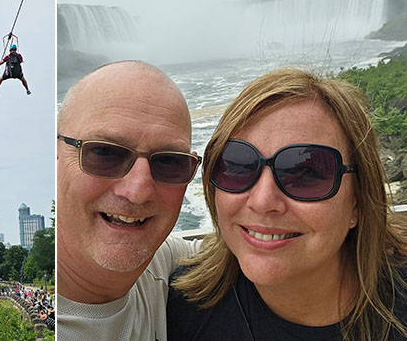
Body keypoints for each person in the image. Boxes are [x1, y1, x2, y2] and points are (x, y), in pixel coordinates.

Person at [168, 68, 407, 341]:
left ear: (358, 201)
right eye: (237, 164)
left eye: (307, 174)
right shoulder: (182, 307)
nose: (262, 201)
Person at [57, 60, 202, 340]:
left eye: (170, 162)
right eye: (104, 153)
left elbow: (227, 252)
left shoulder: (158, 262)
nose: (138, 191)